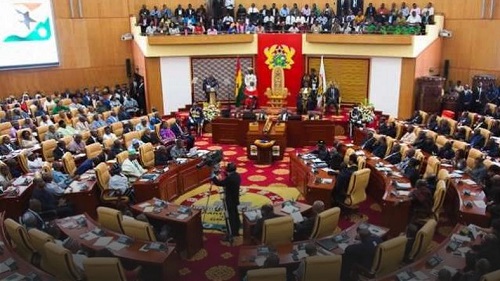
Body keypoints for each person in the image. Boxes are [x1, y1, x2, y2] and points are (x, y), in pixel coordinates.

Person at [212, 162, 241, 241]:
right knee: (235, 213)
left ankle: (232, 232)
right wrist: (224, 173)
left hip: (230, 200)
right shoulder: (237, 175)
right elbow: (229, 177)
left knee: (230, 216)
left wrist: (213, 177)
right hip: (235, 198)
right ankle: (236, 228)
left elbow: (219, 183)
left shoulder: (230, 179)